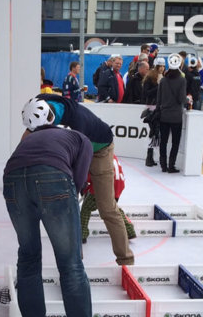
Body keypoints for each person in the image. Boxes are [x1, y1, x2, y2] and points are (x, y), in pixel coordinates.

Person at [4, 98, 113, 317]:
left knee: (28, 256)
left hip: (12, 180)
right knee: (71, 264)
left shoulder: (26, 140)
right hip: (53, 178)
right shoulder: (79, 137)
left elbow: (19, 165)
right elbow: (77, 181)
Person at [36, 92, 134, 266]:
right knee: (70, 207)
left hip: (100, 149)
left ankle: (126, 260)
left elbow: (78, 165)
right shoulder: (40, 108)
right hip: (80, 146)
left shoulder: (76, 126)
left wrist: (76, 187)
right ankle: (74, 265)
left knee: (107, 208)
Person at [156, 54, 187, 174]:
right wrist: (188, 100)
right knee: (175, 142)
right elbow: (181, 99)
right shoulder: (182, 80)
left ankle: (163, 164)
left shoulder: (163, 80)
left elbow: (159, 98)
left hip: (164, 115)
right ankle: (171, 165)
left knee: (163, 141)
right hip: (176, 116)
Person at [142, 59, 163, 167]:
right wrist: (158, 87)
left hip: (158, 108)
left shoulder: (162, 77)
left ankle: (150, 157)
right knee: (153, 134)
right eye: (160, 66)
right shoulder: (150, 78)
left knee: (155, 134)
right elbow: (146, 93)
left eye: (163, 66)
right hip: (151, 109)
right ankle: (149, 157)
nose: (162, 68)